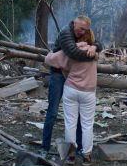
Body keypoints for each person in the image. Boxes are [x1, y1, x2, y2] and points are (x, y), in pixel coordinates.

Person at [41, 16, 101, 155]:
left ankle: (79, 147)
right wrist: (93, 55)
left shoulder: (84, 35)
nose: (82, 32)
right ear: (74, 24)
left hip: (71, 74)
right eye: (80, 29)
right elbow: (73, 54)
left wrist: (94, 46)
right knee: (53, 111)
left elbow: (98, 42)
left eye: (85, 30)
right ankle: (44, 147)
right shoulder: (65, 33)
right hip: (58, 73)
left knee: (79, 114)